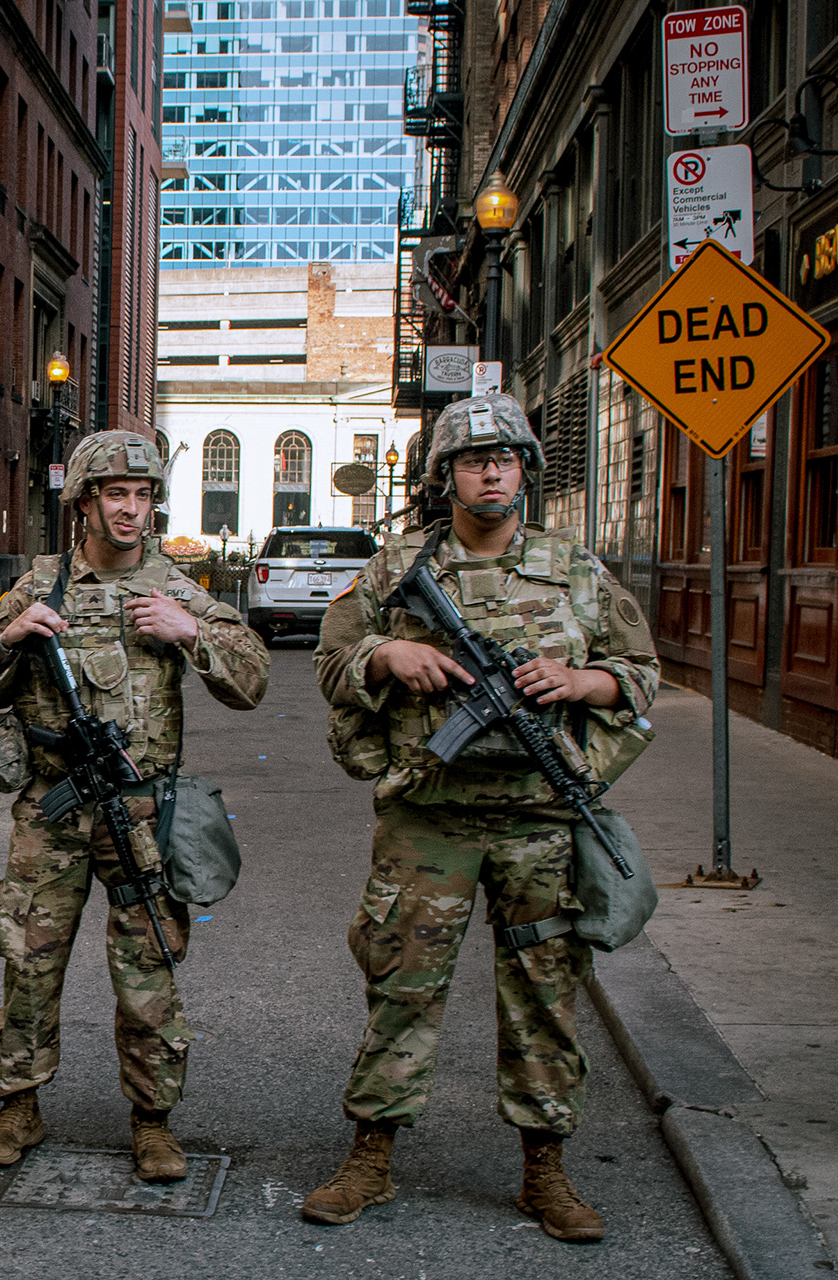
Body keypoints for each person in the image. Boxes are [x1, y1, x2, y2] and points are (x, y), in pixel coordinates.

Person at [303, 393, 659, 1242]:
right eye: (472, 459)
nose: (491, 471)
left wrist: (583, 682)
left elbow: (642, 673)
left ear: (527, 471)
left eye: (505, 458)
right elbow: (330, 662)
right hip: (429, 821)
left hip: (539, 825)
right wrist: (388, 652)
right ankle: (371, 1157)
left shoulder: (575, 569)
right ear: (445, 476)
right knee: (401, 987)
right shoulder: (395, 572)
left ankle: (546, 1170)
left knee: (545, 994)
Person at [0, 430, 269, 1182]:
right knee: (28, 961)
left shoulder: (174, 586)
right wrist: (10, 637)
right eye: (116, 494)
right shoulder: (42, 584)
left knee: (148, 969)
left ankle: (153, 1120)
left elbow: (251, 678)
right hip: (52, 809)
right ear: (84, 503)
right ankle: (19, 1104)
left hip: (143, 811)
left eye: (143, 495)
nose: (131, 510)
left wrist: (190, 631)